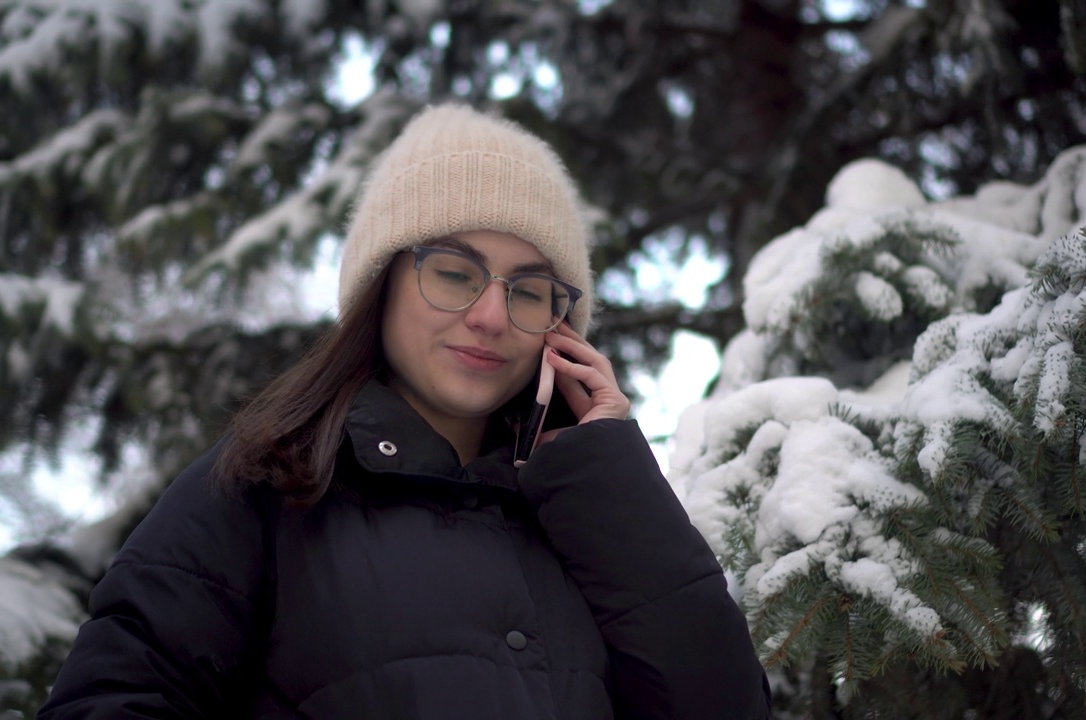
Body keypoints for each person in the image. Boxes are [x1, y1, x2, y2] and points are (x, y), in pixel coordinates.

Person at [39, 104, 771, 719]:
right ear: (379, 287)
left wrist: (612, 477)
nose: (490, 316)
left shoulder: (592, 516)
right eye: (453, 272)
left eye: (528, 290)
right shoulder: (258, 490)